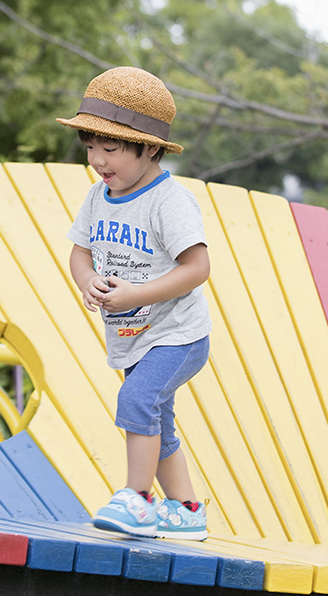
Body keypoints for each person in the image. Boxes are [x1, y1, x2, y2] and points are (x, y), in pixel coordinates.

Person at [60, 66, 212, 540]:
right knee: (157, 422)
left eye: (111, 148)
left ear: (150, 147)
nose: (98, 160)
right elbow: (80, 250)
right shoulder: (98, 197)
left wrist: (134, 294)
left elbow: (197, 268)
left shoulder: (169, 202)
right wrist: (87, 281)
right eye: (90, 147)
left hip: (177, 336)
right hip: (132, 335)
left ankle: (138, 499)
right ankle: (186, 510)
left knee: (137, 398)